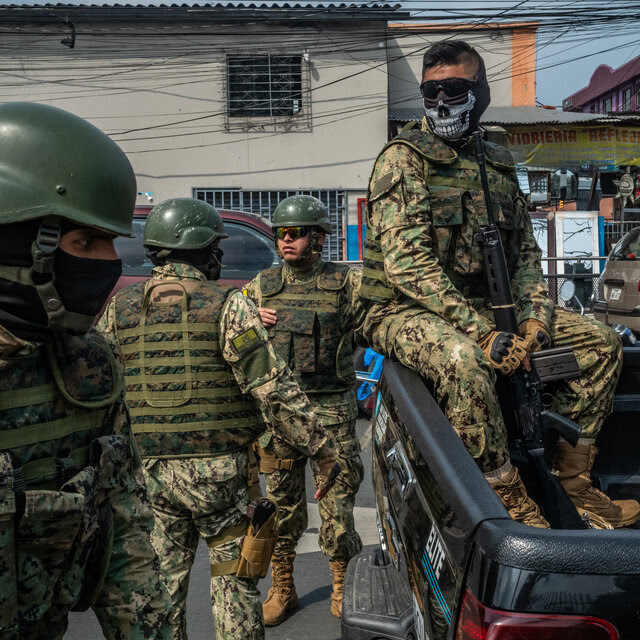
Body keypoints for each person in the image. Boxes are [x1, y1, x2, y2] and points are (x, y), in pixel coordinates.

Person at [358, 40, 639, 530]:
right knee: (465, 363)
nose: (442, 101)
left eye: (455, 88)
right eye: (431, 91)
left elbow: (525, 255)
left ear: (481, 91)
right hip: (404, 310)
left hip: (486, 310)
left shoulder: (498, 162)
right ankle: (506, 498)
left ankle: (572, 481)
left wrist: (535, 318)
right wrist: (483, 332)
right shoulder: (404, 160)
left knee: (600, 344)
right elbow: (409, 267)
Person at [97, 197, 338, 640]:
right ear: (206, 251)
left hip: (148, 475)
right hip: (218, 477)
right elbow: (274, 390)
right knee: (234, 583)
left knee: (163, 590)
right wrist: (323, 450)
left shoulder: (120, 309)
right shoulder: (228, 305)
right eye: (216, 249)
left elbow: (104, 397)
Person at [0, 102, 171, 639]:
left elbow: (126, 545)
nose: (107, 264)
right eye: (85, 243)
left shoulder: (88, 367)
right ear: (20, 243)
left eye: (112, 244)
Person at [243, 195, 364, 623]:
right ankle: (282, 589)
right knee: (280, 503)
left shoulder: (346, 283)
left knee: (338, 504)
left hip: (332, 410)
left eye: (294, 234)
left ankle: (340, 586)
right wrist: (251, 317)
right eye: (280, 233)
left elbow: (375, 321)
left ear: (318, 238)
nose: (285, 241)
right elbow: (230, 326)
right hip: (279, 414)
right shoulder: (261, 285)